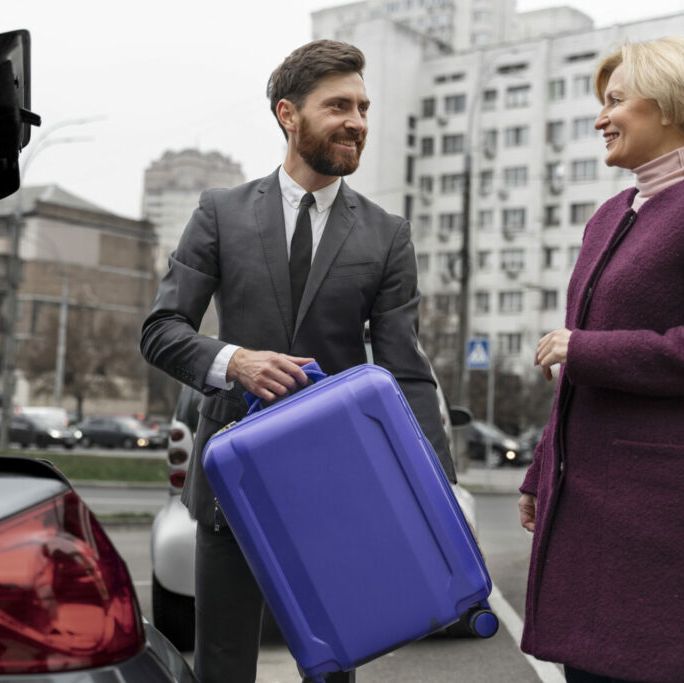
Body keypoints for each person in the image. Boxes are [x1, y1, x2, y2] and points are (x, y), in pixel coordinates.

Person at [140, 40, 453, 683]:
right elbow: (161, 330)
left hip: (333, 485)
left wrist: (435, 486)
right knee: (223, 667)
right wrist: (236, 362)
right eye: (339, 105)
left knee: (334, 664)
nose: (357, 121)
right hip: (233, 479)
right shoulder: (219, 213)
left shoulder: (386, 234)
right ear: (289, 114)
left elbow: (406, 368)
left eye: (364, 107)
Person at [518, 36, 684, 683]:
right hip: (588, 498)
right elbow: (581, 369)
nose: (600, 117)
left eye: (615, 100)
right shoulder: (608, 215)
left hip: (658, 514)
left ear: (666, 104)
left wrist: (588, 349)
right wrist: (541, 466)